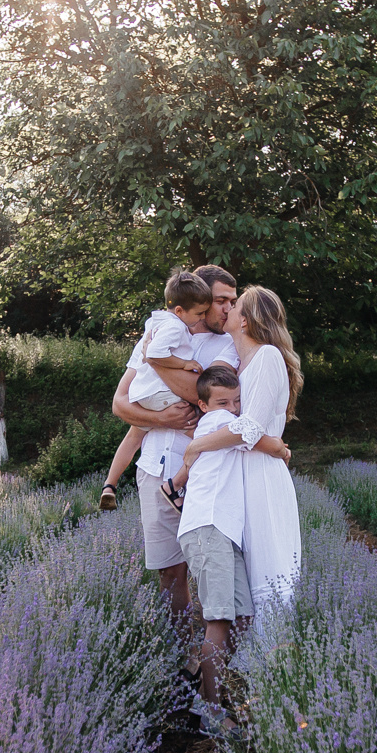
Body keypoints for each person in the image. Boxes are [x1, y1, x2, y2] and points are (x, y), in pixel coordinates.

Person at [108, 265, 240, 625]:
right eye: (220, 301)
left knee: (213, 567)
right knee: (170, 572)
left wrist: (156, 359)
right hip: (153, 469)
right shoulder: (157, 331)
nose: (229, 308)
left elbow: (202, 394)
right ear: (195, 300)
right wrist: (160, 419)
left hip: (202, 474)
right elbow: (121, 403)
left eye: (233, 300)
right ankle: (181, 654)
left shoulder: (227, 344)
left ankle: (218, 659)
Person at [178, 284, 303, 615]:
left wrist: (198, 446)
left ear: (245, 321)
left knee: (269, 569)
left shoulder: (267, 356)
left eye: (235, 306)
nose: (227, 310)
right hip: (240, 477)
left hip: (261, 476)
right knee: (246, 575)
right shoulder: (240, 365)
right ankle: (253, 661)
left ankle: (276, 659)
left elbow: (250, 427)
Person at [173, 361, 251, 732]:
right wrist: (280, 448)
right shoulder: (217, 424)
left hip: (220, 529)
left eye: (236, 401)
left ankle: (198, 680)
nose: (232, 409)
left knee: (242, 616)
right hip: (208, 527)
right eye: (223, 402)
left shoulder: (217, 423)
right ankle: (210, 711)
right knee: (219, 619)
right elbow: (253, 432)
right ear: (204, 406)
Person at [98, 270, 216, 511]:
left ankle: (110, 485)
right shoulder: (175, 327)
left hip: (144, 393)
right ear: (181, 311)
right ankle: (175, 486)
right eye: (199, 313)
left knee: (133, 437)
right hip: (162, 394)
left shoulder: (157, 322)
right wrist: (184, 364)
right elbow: (153, 355)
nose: (202, 318)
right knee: (197, 425)